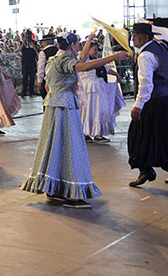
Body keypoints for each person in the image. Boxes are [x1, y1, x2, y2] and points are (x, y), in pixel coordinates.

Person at [21, 32, 128, 209]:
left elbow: (48, 85)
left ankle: (54, 188)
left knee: (55, 146)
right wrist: (114, 57)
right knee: (72, 148)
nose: (78, 47)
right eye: (77, 44)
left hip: (53, 106)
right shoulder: (65, 60)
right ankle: (73, 194)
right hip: (65, 106)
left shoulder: (53, 59)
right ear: (72, 46)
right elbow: (85, 67)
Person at [127, 22, 168, 187]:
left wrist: (138, 105)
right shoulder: (160, 46)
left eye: (135, 36)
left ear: (145, 38)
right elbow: (164, 34)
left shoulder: (145, 56)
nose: (132, 39)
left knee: (138, 135)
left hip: (155, 101)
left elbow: (146, 84)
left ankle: (145, 170)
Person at [78, 32, 124, 143]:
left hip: (99, 90)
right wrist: (89, 39)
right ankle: (86, 133)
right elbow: (84, 54)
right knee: (88, 112)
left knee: (99, 111)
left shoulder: (97, 61)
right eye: (93, 50)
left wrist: (117, 75)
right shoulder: (83, 59)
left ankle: (97, 133)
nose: (95, 52)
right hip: (89, 90)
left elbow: (107, 69)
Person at [36, 34, 58, 99]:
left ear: (46, 42)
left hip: (47, 79)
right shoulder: (58, 51)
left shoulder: (43, 52)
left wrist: (39, 80)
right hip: (57, 78)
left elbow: (41, 67)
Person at [18, 29, 38, 97]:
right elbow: (19, 50)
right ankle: (24, 91)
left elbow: (36, 51)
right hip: (25, 62)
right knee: (25, 77)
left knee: (32, 77)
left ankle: (32, 91)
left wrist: (32, 43)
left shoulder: (34, 42)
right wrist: (23, 42)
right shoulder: (22, 43)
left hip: (32, 61)